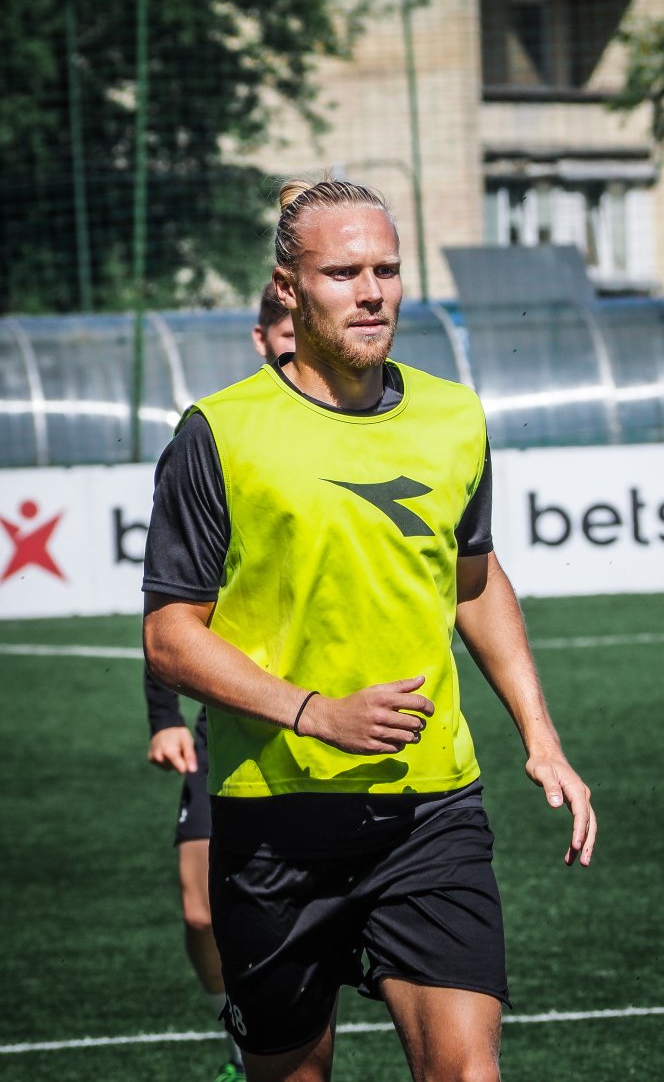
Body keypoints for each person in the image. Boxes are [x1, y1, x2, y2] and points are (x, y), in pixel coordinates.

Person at [143, 177, 596, 1082]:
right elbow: (171, 636)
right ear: (288, 286)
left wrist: (541, 737)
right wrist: (314, 713)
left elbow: (476, 581)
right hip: (275, 820)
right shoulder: (219, 433)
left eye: (387, 268)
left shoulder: (453, 417)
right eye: (344, 270)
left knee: (466, 1072)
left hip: (431, 810)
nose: (372, 290)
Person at [145, 281, 295, 1082]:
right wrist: (162, 714)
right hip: (228, 720)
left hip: (330, 725)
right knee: (199, 906)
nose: (292, 348)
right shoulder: (217, 434)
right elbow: (173, 607)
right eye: (281, 335)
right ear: (261, 338)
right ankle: (234, 1022)